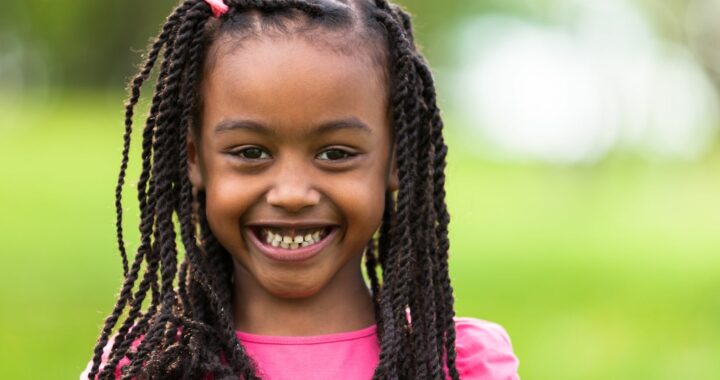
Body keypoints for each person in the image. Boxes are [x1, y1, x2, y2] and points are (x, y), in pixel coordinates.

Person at [83, 0, 520, 378]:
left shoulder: (458, 363)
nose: (292, 194)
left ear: (395, 160)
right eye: (251, 153)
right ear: (195, 160)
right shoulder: (147, 366)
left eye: (335, 154)